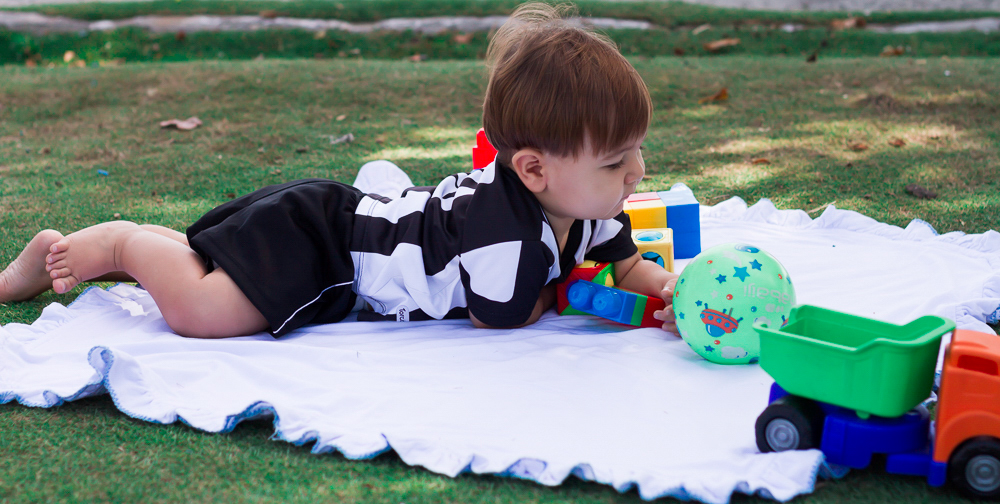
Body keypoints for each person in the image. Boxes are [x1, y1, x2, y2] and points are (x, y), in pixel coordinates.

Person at [0, 2, 678, 338]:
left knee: (209, 266)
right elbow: (506, 314)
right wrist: (565, 287)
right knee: (204, 311)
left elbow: (625, 265)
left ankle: (79, 252)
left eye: (637, 152)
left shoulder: (584, 208)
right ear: (532, 170)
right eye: (616, 162)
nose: (636, 174)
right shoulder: (505, 229)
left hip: (342, 223)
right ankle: (118, 242)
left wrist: (664, 293)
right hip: (330, 247)